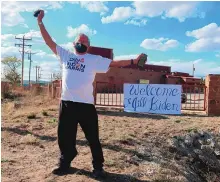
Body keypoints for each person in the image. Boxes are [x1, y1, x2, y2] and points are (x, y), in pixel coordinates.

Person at [36, 9, 145, 178]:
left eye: (85, 41)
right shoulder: (65, 55)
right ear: (74, 44)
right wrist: (40, 22)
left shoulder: (93, 60)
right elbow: (49, 41)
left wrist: (133, 61)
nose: (82, 43)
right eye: (79, 41)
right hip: (67, 103)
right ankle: (65, 162)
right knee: (64, 137)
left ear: (89, 46)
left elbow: (115, 63)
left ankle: (98, 167)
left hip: (86, 105)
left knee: (93, 138)